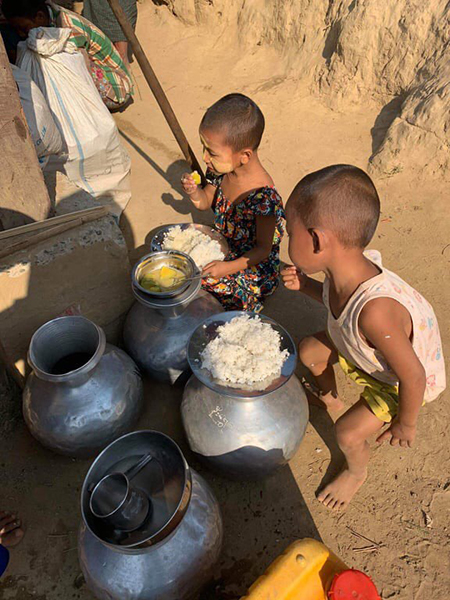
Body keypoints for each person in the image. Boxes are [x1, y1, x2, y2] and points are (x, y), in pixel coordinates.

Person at [282, 164, 446, 510]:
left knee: (347, 433)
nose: (284, 238)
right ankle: (332, 399)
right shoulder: (342, 268)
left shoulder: (375, 313)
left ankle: (356, 472)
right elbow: (331, 297)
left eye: (288, 231)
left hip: (396, 383)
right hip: (361, 349)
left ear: (316, 240)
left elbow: (413, 375)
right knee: (310, 351)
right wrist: (305, 286)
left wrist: (405, 423)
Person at [181, 93, 285, 313]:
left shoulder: (263, 198)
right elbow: (205, 200)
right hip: (225, 248)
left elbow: (263, 250)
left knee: (204, 281)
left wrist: (226, 268)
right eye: (204, 148)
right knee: (184, 261)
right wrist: (194, 193)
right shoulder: (220, 170)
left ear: (244, 156)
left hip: (252, 264)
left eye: (211, 152)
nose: (205, 158)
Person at [2, 0, 133, 111]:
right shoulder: (50, 14)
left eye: (24, 29)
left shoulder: (68, 29)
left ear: (40, 16)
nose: (21, 34)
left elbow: (79, 70)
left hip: (116, 89)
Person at [83, 0, 137, 66]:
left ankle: (124, 73)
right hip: (98, 6)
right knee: (101, 54)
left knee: (120, 54)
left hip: (122, 4)